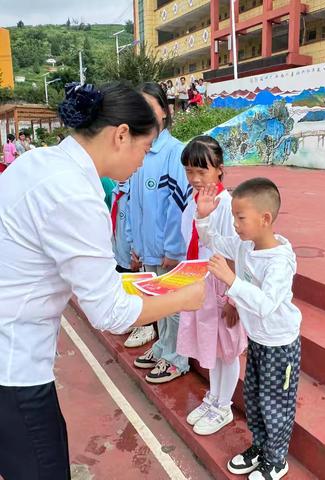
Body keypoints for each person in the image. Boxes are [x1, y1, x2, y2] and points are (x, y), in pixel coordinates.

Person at [0, 82, 205, 480]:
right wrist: (184, 297)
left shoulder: (39, 163)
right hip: (13, 364)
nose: (144, 162)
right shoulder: (74, 193)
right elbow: (109, 312)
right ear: (121, 135)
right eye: (145, 150)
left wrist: (136, 285)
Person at [196, 178, 301, 480]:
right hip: (258, 340)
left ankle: (277, 458)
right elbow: (215, 241)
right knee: (254, 399)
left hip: (279, 345)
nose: (236, 225)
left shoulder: (279, 262)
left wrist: (232, 282)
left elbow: (266, 304)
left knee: (275, 404)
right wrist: (203, 217)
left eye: (240, 218)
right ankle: (260, 447)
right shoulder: (245, 246)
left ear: (265, 218)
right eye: (234, 218)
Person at [176, 136, 247, 435]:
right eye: (189, 170)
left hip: (222, 289)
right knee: (211, 346)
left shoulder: (228, 207)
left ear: (219, 169)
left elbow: (239, 253)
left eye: (201, 171)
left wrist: (234, 299)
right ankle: (214, 397)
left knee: (226, 351)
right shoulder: (194, 201)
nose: (194, 178)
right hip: (200, 286)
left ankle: (224, 406)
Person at [129, 82, 192, 384]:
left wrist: (173, 249)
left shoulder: (174, 152)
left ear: (164, 113)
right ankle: (164, 345)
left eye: (149, 106)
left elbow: (178, 206)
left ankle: (177, 358)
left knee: (175, 305)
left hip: (170, 251)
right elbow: (132, 202)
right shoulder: (140, 154)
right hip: (148, 247)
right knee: (158, 304)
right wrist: (134, 241)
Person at [112, 179, 133, 273]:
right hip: (116, 255)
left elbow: (136, 226)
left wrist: (134, 254)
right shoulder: (115, 191)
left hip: (131, 258)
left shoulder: (133, 193)